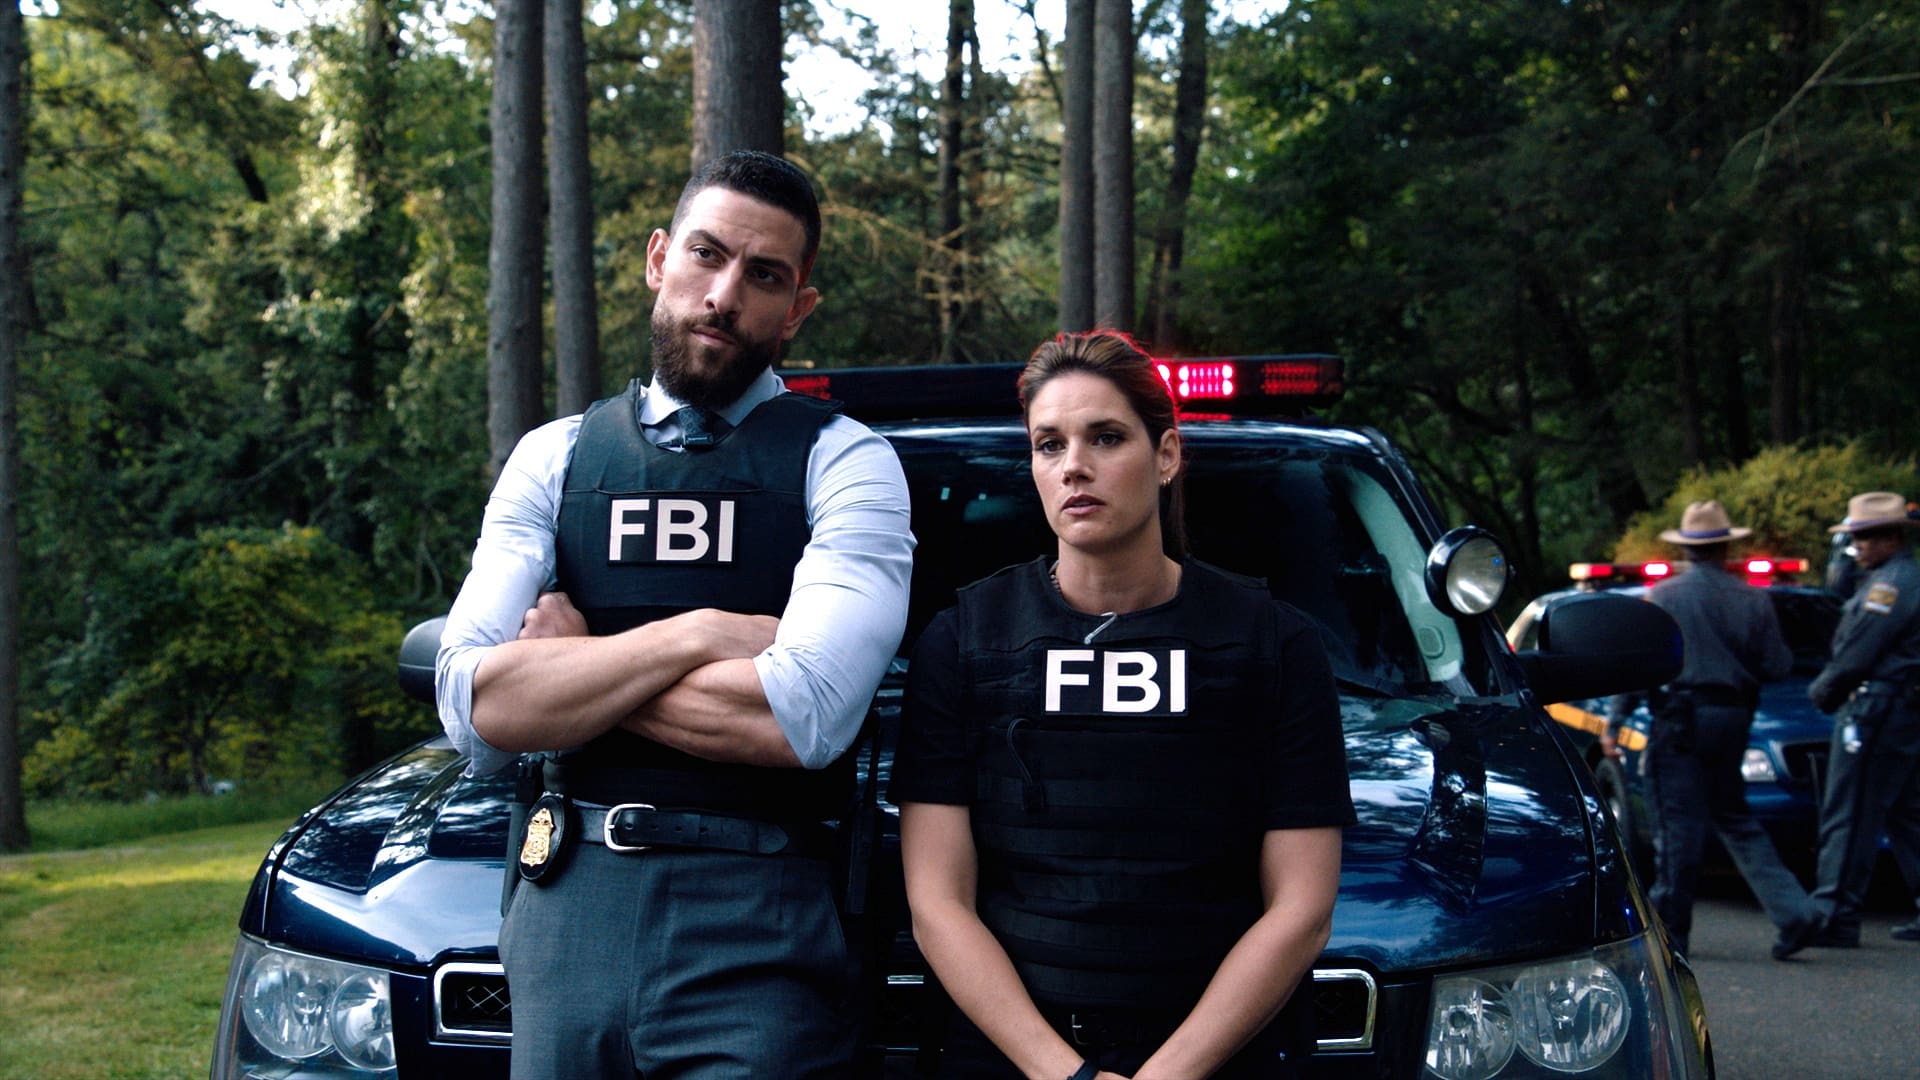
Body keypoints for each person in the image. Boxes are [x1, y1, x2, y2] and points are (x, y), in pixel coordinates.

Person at [434, 150, 916, 1078]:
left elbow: (802, 719)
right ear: (659, 259)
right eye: (706, 255)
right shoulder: (556, 457)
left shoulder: (846, 461)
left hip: (761, 914)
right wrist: (697, 635)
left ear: (797, 308)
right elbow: (473, 706)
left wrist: (576, 669)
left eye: (763, 275)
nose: (724, 295)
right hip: (569, 903)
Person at [890, 331, 1355, 1080]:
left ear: (1166, 455)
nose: (1073, 465)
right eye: (1049, 444)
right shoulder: (964, 641)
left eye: (1105, 437)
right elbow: (938, 903)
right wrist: (1064, 1074)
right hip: (1012, 1061)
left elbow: (1301, 907)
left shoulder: (1273, 644)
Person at [1601, 501, 1822, 960]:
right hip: (1733, 719)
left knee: (1678, 829)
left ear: (1687, 549)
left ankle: (1672, 936)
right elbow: (1777, 665)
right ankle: (1796, 912)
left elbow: (1641, 665)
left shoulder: (1664, 597)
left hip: (1680, 721)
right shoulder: (1753, 598)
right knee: (1735, 817)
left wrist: (1615, 722)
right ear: (1725, 548)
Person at [1807, 491, 1920, 947]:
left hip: (1876, 708)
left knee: (1851, 812)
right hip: (1899, 708)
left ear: (1892, 538)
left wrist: (1823, 690)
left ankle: (1835, 914)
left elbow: (1858, 650)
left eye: (1866, 538)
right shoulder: (1896, 579)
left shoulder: (1889, 587)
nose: (1858, 547)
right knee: (1908, 813)